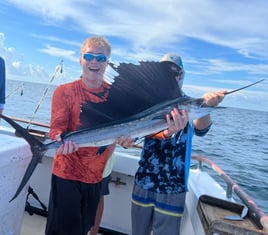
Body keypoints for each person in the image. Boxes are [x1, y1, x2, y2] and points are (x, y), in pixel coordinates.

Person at [131, 53, 226, 235]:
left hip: (173, 188)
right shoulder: (146, 102)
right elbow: (131, 138)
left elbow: (201, 130)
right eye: (164, 72)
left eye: (174, 72)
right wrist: (125, 141)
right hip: (144, 180)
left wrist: (205, 106)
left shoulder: (188, 104)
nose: (169, 76)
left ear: (181, 76)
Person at [45, 36, 131, 235]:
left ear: (107, 62)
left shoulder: (117, 96)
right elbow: (56, 128)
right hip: (66, 172)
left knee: (84, 229)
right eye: (89, 56)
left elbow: (127, 131)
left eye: (100, 58)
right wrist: (59, 138)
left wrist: (127, 141)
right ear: (80, 59)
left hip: (95, 176)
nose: (94, 61)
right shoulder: (64, 91)